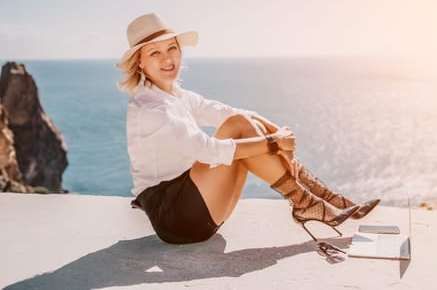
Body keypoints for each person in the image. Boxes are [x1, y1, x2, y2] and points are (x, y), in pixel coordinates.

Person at [116, 13, 380, 244]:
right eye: (155, 52)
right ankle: (308, 202)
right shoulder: (151, 107)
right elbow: (207, 150)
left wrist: (282, 139)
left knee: (240, 123)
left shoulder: (176, 95)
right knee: (239, 129)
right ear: (140, 63)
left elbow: (230, 113)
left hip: (197, 207)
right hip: (175, 218)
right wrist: (274, 142)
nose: (168, 58)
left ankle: (319, 199)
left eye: (172, 48)